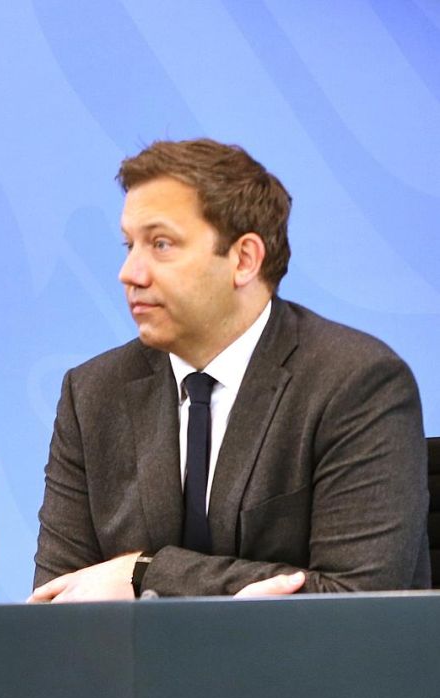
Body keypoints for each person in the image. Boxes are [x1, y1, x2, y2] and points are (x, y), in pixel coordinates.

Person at [31, 139, 429, 602]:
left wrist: (144, 573)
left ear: (244, 260)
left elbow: (357, 602)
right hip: (136, 674)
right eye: (128, 244)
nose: (129, 272)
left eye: (161, 244)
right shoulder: (94, 393)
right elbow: (55, 603)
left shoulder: (356, 383)